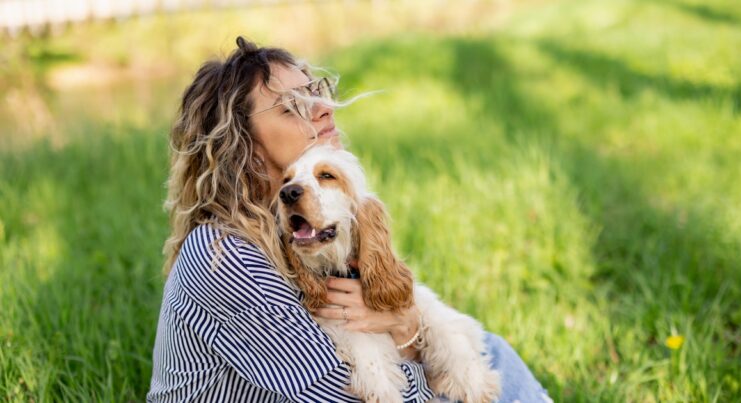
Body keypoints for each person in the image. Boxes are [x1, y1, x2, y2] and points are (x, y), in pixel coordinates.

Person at [147, 37, 550, 402]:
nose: (324, 110)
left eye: (315, 94)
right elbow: (340, 396)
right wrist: (412, 343)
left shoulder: (302, 231)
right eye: (292, 108)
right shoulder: (225, 255)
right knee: (486, 364)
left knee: (489, 351)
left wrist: (406, 326)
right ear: (246, 149)